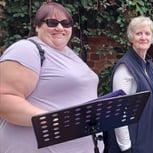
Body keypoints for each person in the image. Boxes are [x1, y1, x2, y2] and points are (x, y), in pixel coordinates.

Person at [0, 2, 102, 153]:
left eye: (66, 23)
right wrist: (56, 121)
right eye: (52, 22)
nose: (60, 28)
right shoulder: (27, 49)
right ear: (37, 26)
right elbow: (5, 99)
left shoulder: (69, 53)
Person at [104, 16, 153, 153]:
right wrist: (126, 147)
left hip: (151, 139)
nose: (143, 37)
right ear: (131, 37)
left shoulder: (150, 66)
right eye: (138, 33)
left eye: (147, 33)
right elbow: (118, 111)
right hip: (134, 143)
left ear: (152, 37)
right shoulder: (125, 68)